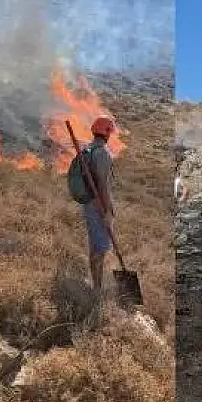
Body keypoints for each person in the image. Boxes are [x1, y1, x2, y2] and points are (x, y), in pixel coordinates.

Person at [83, 115, 117, 290]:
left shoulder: (88, 149)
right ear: (107, 133)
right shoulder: (102, 153)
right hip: (99, 206)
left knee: (95, 244)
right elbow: (103, 186)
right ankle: (97, 287)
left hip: (89, 204)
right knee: (101, 247)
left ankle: (95, 282)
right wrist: (106, 211)